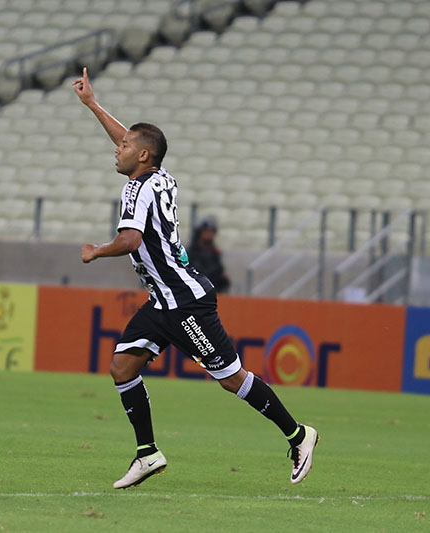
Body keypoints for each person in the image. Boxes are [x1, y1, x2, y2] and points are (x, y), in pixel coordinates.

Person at [73, 67, 317, 489]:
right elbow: (129, 140)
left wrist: (96, 251)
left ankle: (298, 436)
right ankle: (147, 453)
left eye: (125, 146)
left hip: (185, 302)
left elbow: (130, 240)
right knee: (122, 365)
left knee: (231, 379)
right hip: (163, 301)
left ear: (142, 156)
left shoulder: (137, 189)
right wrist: (93, 104)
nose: (117, 149)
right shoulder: (158, 175)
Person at [187, 216, 230, 293]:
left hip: (213, 289)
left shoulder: (214, 252)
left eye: (211, 231)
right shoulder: (192, 252)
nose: (209, 234)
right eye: (206, 231)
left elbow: (219, 270)